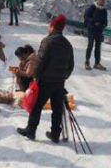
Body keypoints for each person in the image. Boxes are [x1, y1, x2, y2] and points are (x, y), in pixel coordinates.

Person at [17, 14, 74, 143]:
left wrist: (36, 77)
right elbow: (71, 65)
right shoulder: (67, 44)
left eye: (49, 26)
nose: (48, 28)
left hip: (45, 81)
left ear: (53, 27)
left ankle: (30, 130)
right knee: (57, 108)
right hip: (59, 82)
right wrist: (63, 76)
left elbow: (40, 61)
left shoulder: (47, 41)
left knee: (37, 106)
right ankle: (55, 134)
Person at [84, 0, 108, 71]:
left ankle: (97, 63)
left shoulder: (104, 10)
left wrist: (103, 25)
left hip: (99, 31)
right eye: (100, 0)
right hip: (91, 29)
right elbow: (86, 16)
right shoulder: (92, 7)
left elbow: (105, 21)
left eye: (102, 0)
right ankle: (87, 62)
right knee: (90, 45)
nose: (101, 1)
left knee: (98, 47)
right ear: (97, 0)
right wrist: (93, 22)